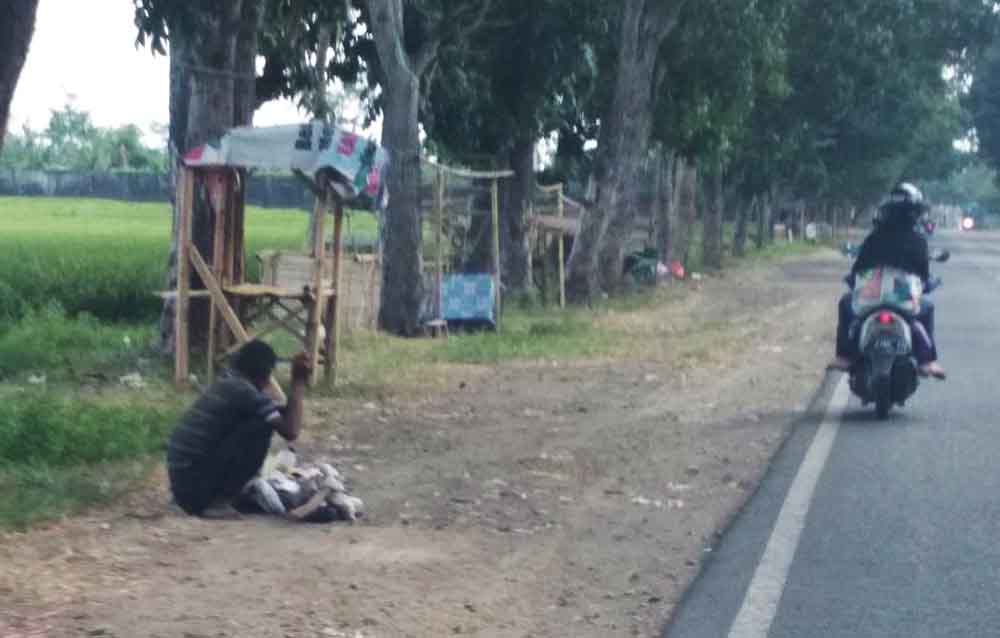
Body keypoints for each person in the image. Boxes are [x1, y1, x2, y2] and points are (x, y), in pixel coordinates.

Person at [167, 341, 311, 518]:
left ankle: (210, 497)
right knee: (260, 427)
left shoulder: (228, 381)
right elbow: (291, 431)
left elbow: (279, 413)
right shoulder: (245, 391)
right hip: (194, 488)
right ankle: (216, 503)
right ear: (264, 375)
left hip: (183, 487)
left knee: (259, 420)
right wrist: (298, 383)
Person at [829, 182, 946, 379]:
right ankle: (927, 361)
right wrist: (927, 284)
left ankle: (844, 356)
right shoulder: (918, 241)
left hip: (869, 297)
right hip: (903, 298)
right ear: (915, 213)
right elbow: (923, 277)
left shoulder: (874, 238)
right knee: (926, 309)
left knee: (845, 304)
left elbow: (858, 270)